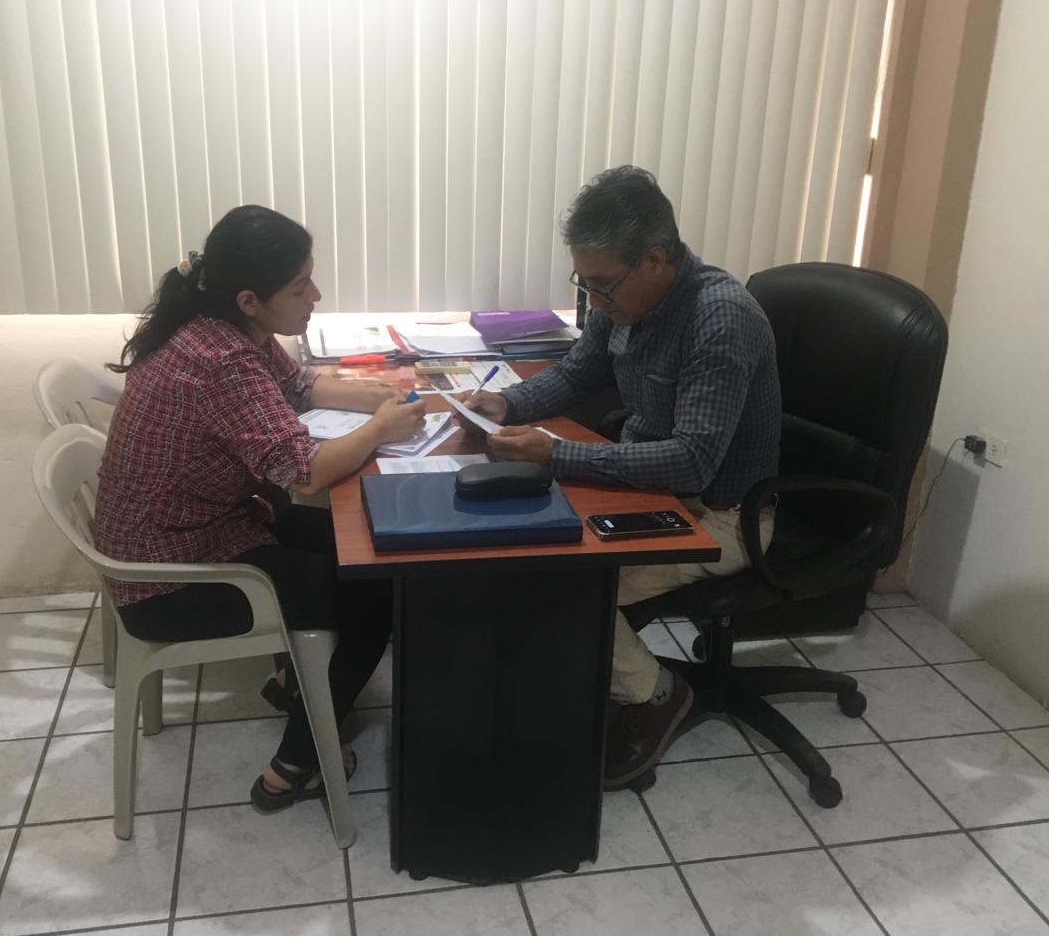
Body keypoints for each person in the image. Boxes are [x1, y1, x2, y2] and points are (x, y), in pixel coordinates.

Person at [95, 204, 426, 812]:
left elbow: (298, 386)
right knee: (374, 588)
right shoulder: (221, 361)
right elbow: (305, 471)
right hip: (168, 578)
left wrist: (382, 396)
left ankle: (292, 679)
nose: (315, 296)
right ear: (250, 300)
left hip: (208, 526)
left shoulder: (223, 327)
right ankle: (294, 766)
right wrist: (380, 428)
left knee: (356, 537)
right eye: (300, 287)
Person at [464, 166, 782, 789]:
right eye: (584, 283)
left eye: (602, 285)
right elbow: (578, 372)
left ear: (656, 259)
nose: (595, 299)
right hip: (654, 489)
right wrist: (508, 404)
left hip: (723, 516)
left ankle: (656, 693)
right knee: (523, 552)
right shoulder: (624, 297)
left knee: (563, 584)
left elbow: (692, 460)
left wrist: (556, 456)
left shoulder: (720, 319)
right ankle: (591, 674)